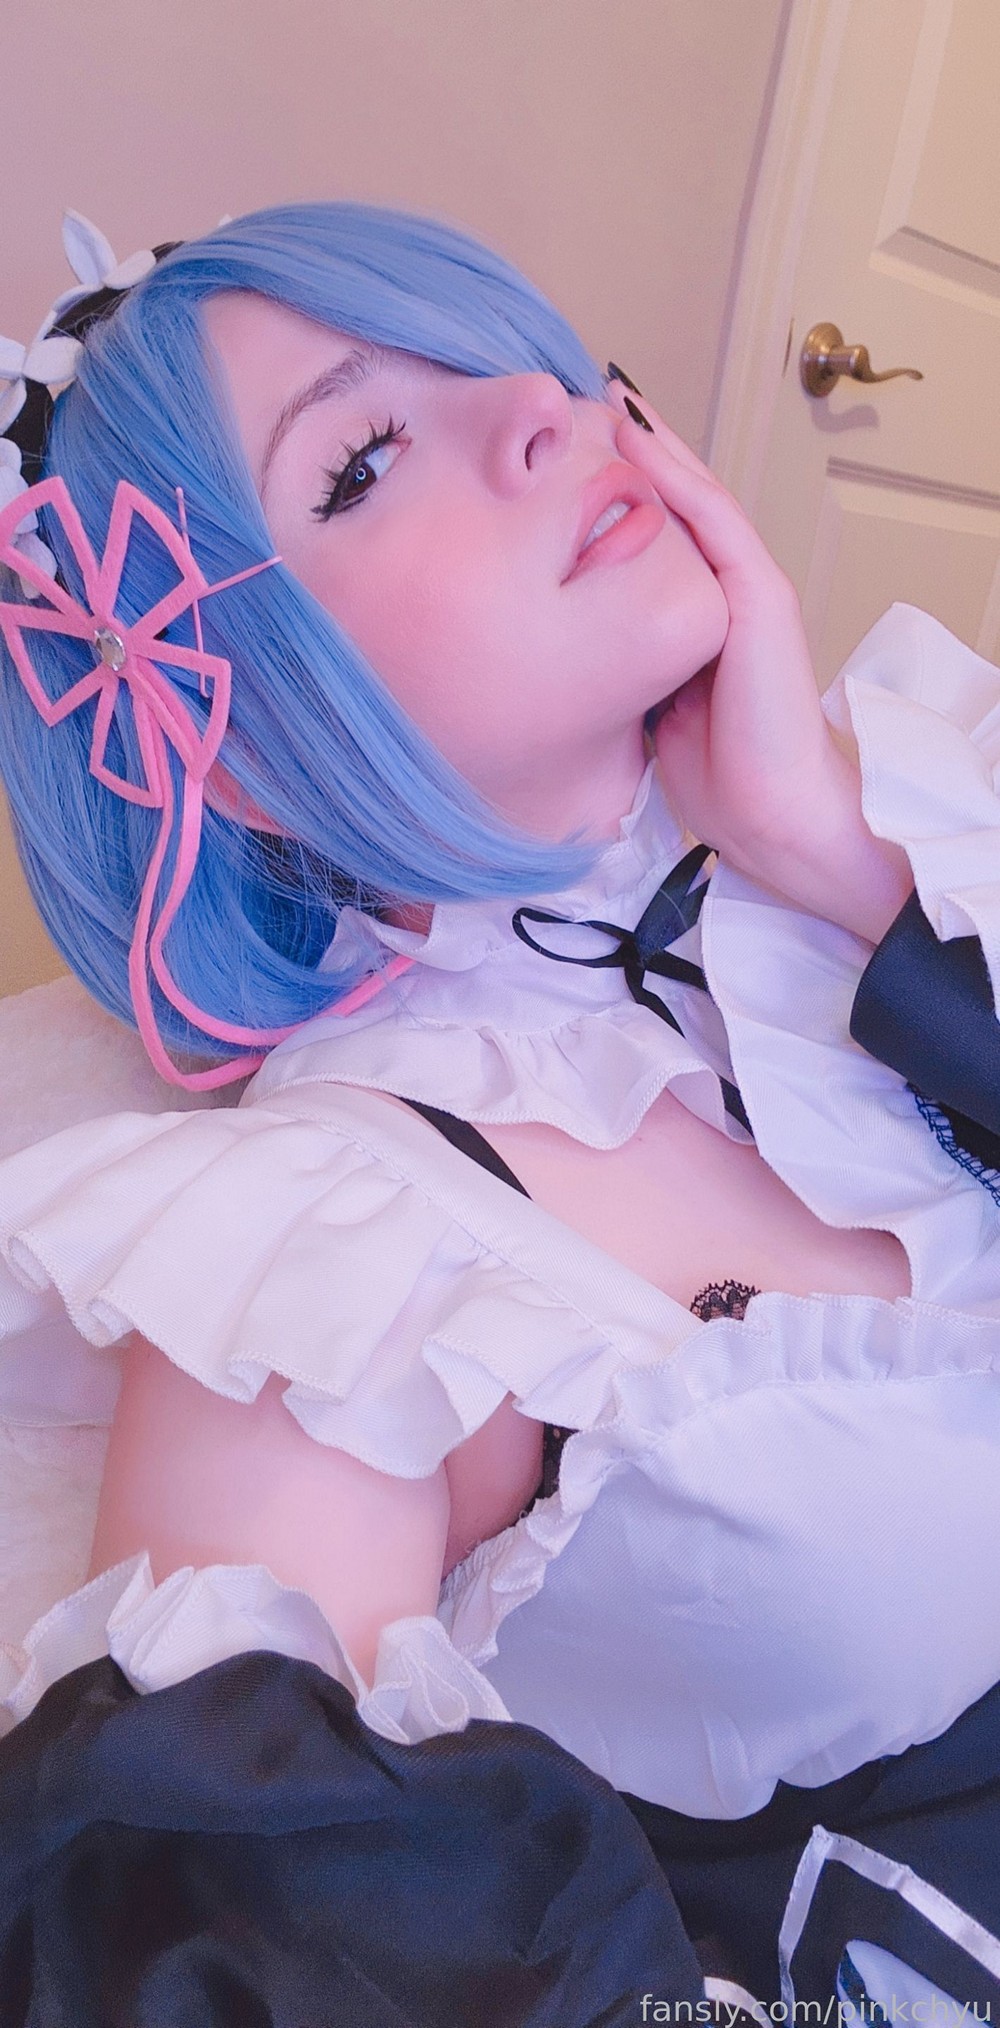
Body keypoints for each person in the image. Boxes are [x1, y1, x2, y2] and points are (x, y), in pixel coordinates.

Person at [0, 201, 999, 2023]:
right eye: (364, 458)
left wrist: (835, 857)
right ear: (228, 736)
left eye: (501, 351)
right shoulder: (326, 1248)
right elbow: (236, 1946)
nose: (545, 408)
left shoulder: (902, 829)